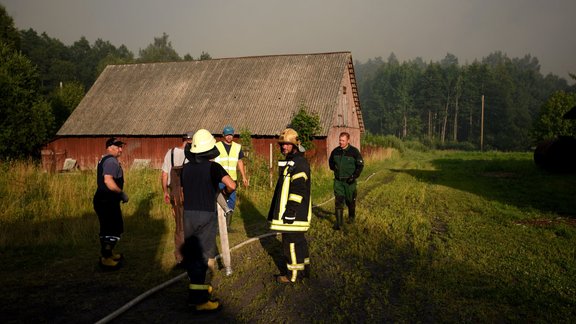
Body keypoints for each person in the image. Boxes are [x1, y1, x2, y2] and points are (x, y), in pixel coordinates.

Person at [181, 129, 236, 313]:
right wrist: (224, 194)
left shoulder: (186, 168)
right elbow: (232, 185)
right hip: (206, 214)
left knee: (192, 254)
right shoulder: (213, 167)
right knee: (204, 257)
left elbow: (183, 191)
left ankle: (194, 294)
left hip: (188, 215)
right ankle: (200, 301)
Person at [268, 128, 311, 284]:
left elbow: (298, 190)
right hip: (296, 213)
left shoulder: (299, 164)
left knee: (290, 244)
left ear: (294, 145)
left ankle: (293, 276)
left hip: (294, 214)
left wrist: (291, 211)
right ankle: (304, 270)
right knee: (299, 242)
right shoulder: (294, 162)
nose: (283, 147)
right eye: (282, 144)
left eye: (287, 144)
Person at [93, 137, 129, 270]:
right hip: (107, 201)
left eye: (121, 146)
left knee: (108, 228)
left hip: (104, 200)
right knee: (112, 229)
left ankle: (108, 254)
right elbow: (108, 181)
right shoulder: (111, 161)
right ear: (109, 147)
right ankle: (106, 259)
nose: (120, 149)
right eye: (118, 146)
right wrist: (121, 193)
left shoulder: (105, 159)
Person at [161, 132, 193, 266]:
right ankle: (191, 255)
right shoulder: (193, 154)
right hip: (189, 193)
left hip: (174, 193)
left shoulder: (171, 153)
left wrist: (165, 192)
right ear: (191, 141)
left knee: (179, 225)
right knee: (191, 224)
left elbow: (164, 174)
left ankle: (180, 257)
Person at [214, 125, 249, 227]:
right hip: (220, 179)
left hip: (232, 179)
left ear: (233, 135)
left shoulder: (237, 147)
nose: (229, 137)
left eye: (231, 135)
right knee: (220, 201)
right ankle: (218, 224)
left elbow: (240, 162)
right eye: (227, 135)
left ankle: (227, 224)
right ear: (223, 135)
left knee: (232, 201)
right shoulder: (217, 146)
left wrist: (243, 176)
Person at [328, 132, 364, 230]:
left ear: (348, 140)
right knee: (338, 201)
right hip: (338, 182)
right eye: (340, 140)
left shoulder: (354, 152)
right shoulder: (335, 151)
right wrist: (335, 169)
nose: (341, 142)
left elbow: (360, 165)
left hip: (350, 182)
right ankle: (339, 224)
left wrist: (354, 176)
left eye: (343, 140)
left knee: (350, 201)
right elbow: (331, 163)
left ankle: (351, 218)